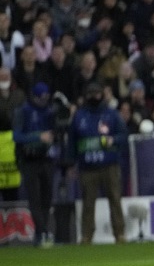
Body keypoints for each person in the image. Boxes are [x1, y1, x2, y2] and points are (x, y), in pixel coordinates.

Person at [69, 81, 128, 244]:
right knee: (88, 203)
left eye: (96, 93)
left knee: (115, 199)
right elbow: (72, 142)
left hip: (109, 165)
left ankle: (120, 233)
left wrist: (113, 140)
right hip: (87, 166)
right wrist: (71, 163)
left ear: (102, 94)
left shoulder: (111, 114)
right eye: (90, 94)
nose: (94, 97)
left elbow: (123, 136)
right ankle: (87, 235)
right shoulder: (79, 115)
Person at [12, 82, 58, 247]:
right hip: (29, 159)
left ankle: (42, 233)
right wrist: (38, 137)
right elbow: (17, 137)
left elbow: (56, 131)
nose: (43, 101)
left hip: (46, 158)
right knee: (35, 198)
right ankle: (43, 232)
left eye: (46, 98)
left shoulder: (50, 111)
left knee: (46, 198)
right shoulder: (22, 111)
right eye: (41, 98)